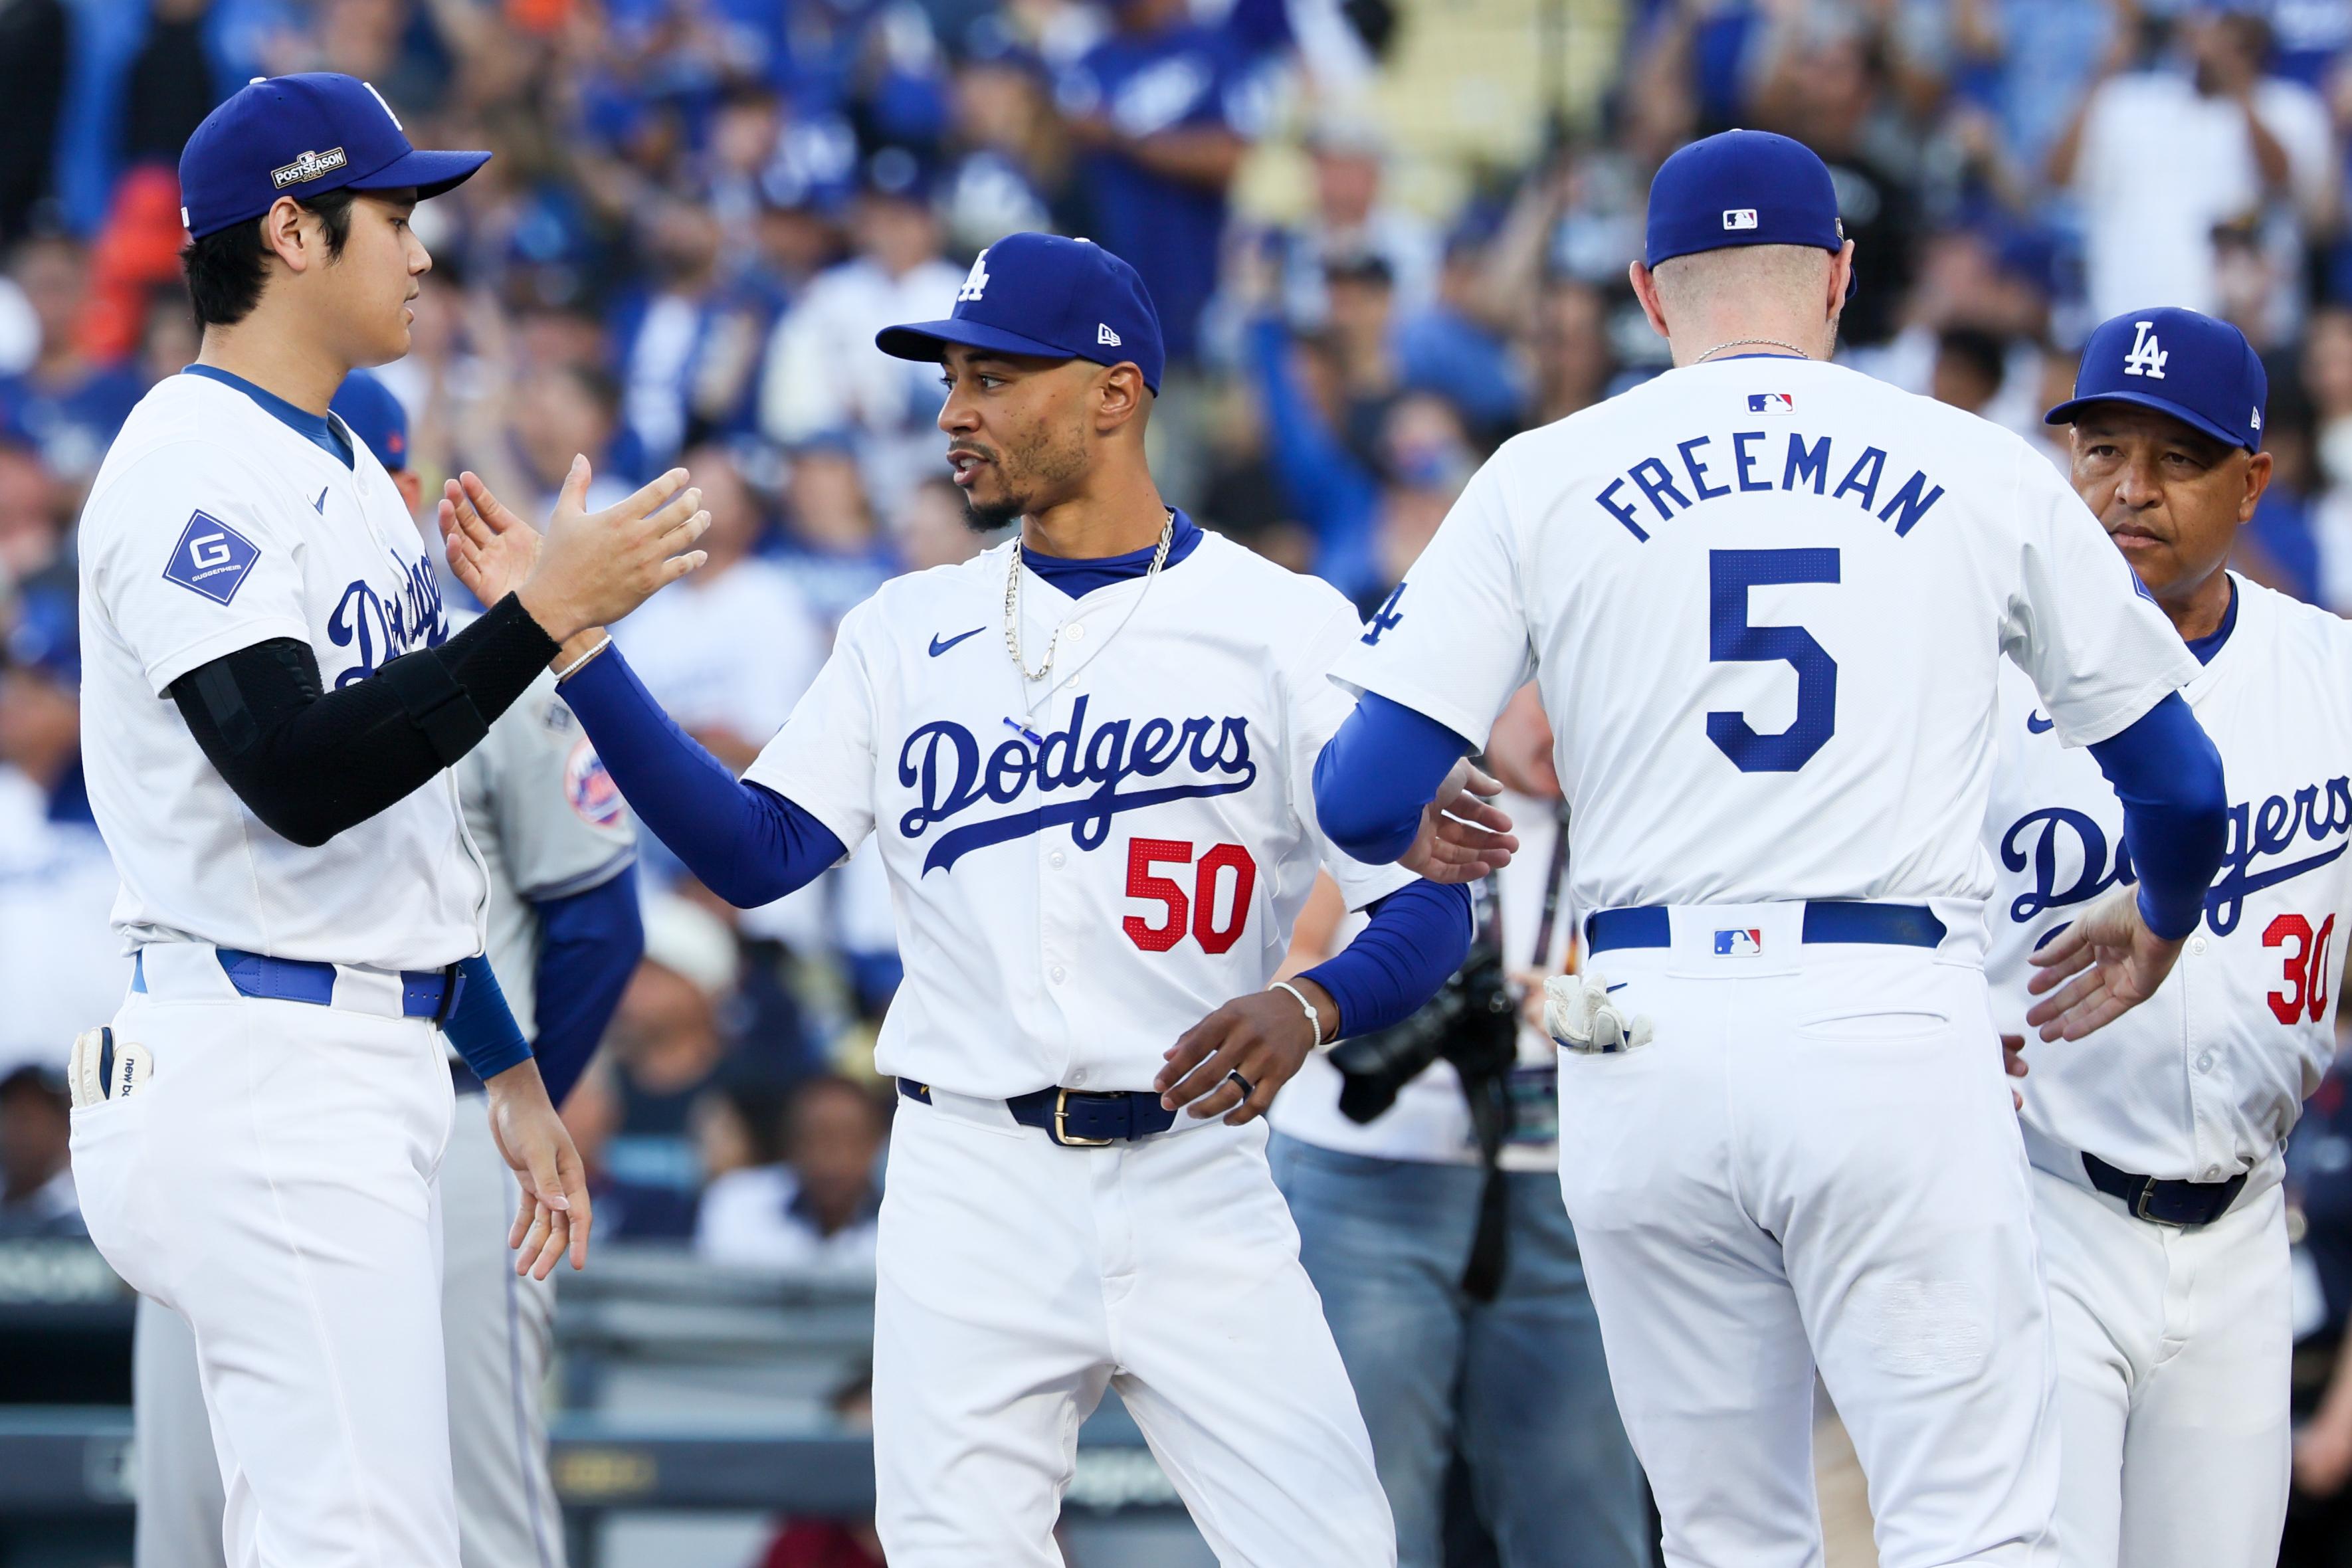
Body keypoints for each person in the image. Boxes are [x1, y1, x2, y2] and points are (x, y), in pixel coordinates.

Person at [439, 229, 1515, 1566]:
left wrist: (1313, 1000)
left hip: (1198, 1179)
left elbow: (1429, 903)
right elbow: (758, 852)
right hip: (969, 1176)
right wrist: (579, 649)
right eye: (951, 379)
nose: (954, 413)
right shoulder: (906, 627)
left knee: (1335, 1550)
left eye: (995, 380)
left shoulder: (1281, 623)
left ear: (1113, 393)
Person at [1312, 129, 2230, 1565]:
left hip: (1642, 1030)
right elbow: (2180, 782)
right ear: (1842, 278)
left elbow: (1362, 793)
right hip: (1884, 1017)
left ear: (1647, 289)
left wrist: (1418, 813)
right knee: (1976, 1526)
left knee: (1731, 1539)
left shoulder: (1544, 470)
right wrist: (2163, 919)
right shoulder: (1973, 462)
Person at [66, 74, 701, 1567]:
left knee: (351, 1534)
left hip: (358, 1045)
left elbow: (402, 836)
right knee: (369, 1543)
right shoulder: (185, 459)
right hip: (264, 1053)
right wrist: (543, 615)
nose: (422, 251)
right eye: (397, 215)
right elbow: (291, 774)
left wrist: (509, 1069)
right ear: (292, 230)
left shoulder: (349, 467)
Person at [128, 367, 646, 1568]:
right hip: (221, 1081)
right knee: (195, 1503)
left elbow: (596, 922)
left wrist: (503, 1105)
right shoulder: (193, 649)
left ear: (402, 485)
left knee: (470, 1510)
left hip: (448, 1114)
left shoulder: (491, 671)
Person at [1981, 306, 2352, 1568]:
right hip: (2041, 1209)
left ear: (2254, 483)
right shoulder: (1978, 684)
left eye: (2177, 460)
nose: (2128, 492)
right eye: (2100, 452)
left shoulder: (2329, 677)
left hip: (2248, 1224)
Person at [1268, 683, 1648, 1568]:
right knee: (1361, 1506)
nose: (1565, 723)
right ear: (1496, 682)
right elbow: (1288, 958)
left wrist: (1543, 1004)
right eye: (1547, 695)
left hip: (1561, 1182)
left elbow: (1669, 1010)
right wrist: (1395, 994)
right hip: (1371, 1176)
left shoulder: (1636, 810)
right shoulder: (1399, 791)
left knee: (1583, 1512)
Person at [697, 1073, 886, 1274]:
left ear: (877, 1144)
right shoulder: (734, 1202)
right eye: (816, 1139)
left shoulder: (911, 1218)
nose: (834, 1159)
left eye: (852, 1141)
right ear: (790, 1143)